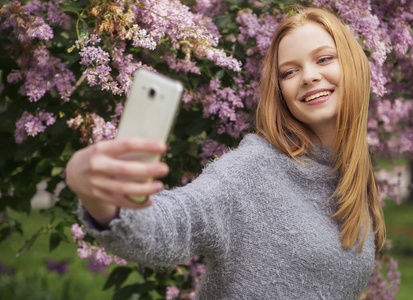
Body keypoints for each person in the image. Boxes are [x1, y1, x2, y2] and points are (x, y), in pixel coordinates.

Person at [66, 6, 386, 300]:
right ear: (281, 92)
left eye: (324, 59)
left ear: (353, 64)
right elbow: (172, 224)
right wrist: (101, 198)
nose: (309, 76)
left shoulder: (351, 179)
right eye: (289, 72)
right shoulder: (251, 169)